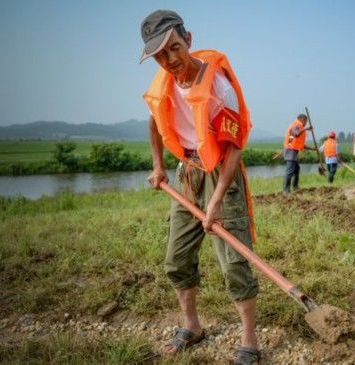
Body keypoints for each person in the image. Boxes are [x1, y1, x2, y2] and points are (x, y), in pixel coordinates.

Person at [140, 10, 260, 364]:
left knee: (234, 261)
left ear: (188, 39)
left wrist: (217, 199)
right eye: (160, 55)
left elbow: (236, 145)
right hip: (187, 172)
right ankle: (191, 326)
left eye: (174, 48)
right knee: (176, 259)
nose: (170, 59)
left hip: (222, 172)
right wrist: (159, 166)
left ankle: (249, 340)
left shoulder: (217, 86)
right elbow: (153, 123)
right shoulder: (163, 85)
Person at [282, 114, 314, 193]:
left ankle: (295, 186)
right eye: (305, 121)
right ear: (302, 119)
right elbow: (296, 134)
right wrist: (305, 129)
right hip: (290, 151)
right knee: (290, 171)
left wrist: (312, 149)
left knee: (296, 169)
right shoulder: (297, 125)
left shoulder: (298, 126)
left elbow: (298, 143)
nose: (305, 123)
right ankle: (286, 190)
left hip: (292, 150)